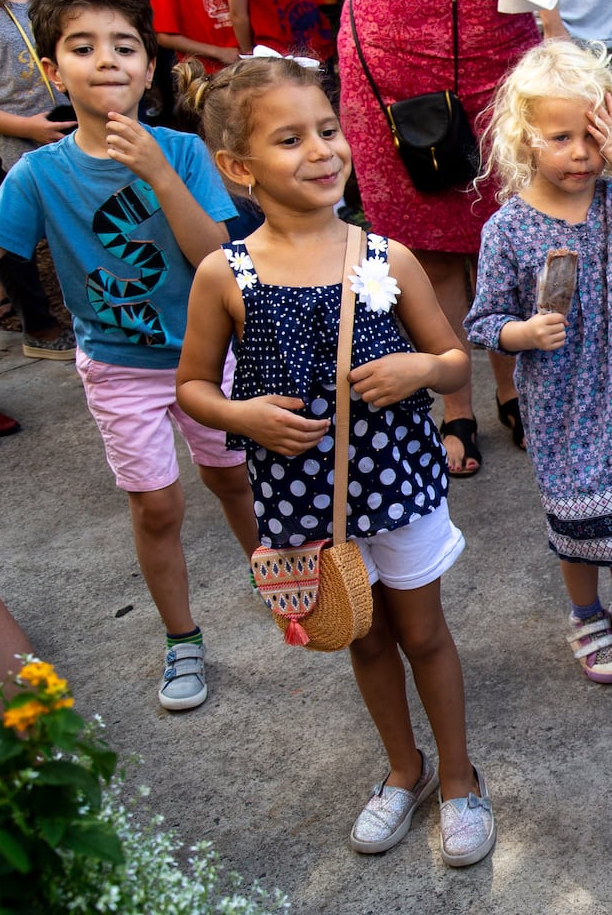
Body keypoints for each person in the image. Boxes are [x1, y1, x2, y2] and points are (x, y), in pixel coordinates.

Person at [174, 52, 496, 868]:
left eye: (328, 129)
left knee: (423, 632)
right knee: (358, 634)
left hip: (397, 483)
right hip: (301, 498)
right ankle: (404, 768)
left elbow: (455, 362)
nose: (322, 150)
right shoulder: (225, 273)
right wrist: (240, 413)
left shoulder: (388, 257)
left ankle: (459, 778)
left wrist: (421, 371)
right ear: (238, 169)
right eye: (290, 139)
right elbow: (192, 389)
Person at [0, 0, 257, 710]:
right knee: (156, 506)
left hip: (206, 357)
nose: (106, 60)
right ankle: (182, 639)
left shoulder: (179, 152)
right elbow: (4, 250)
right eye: (82, 47)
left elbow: (215, 257)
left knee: (234, 477)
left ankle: (275, 577)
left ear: (149, 66)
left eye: (123, 45)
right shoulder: (38, 175)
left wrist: (159, 174)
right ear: (52, 69)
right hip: (117, 366)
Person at [465, 40, 612, 684]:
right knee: (576, 518)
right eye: (561, 137)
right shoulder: (508, 229)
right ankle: (584, 614)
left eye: (593, 136)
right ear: (524, 140)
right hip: (561, 405)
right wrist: (523, 332)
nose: (580, 153)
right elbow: (483, 323)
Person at [338, 0, 581, 476]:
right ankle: (454, 406)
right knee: (428, 250)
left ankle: (513, 385)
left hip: (501, 66)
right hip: (388, 69)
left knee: (508, 235)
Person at [0, 0, 79, 363]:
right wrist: (27, 128)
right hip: (12, 139)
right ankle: (38, 322)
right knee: (16, 235)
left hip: (76, 127)